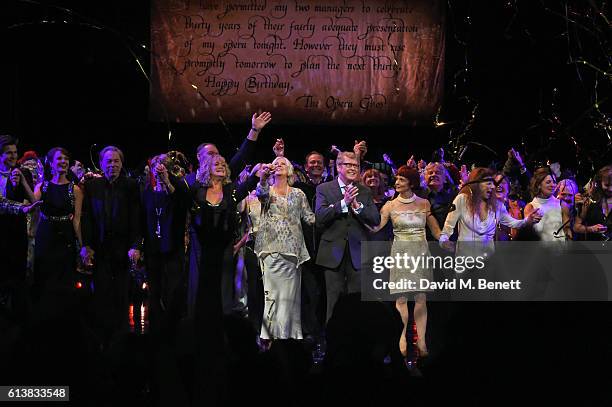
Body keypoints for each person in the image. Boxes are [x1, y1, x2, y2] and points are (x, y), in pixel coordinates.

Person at [369, 166, 442, 358]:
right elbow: (376, 228)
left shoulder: (424, 203)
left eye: (401, 179)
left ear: (411, 182)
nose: (397, 182)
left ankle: (422, 341)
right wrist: (358, 210)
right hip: (400, 254)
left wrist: (447, 239)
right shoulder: (390, 205)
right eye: (397, 179)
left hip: (421, 253)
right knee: (401, 299)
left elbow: (436, 231)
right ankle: (401, 339)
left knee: (420, 298)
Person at [80, 145, 142, 347]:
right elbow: (87, 218)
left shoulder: (132, 185)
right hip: (100, 248)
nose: (113, 165)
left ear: (122, 164)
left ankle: (122, 341)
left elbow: (136, 219)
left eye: (116, 161)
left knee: (122, 296)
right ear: (101, 164)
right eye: (109, 161)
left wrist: (135, 245)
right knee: (102, 296)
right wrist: (87, 245)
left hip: (124, 249)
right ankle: (103, 341)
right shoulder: (92, 187)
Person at [315, 151, 380, 322]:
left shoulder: (364, 191)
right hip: (332, 254)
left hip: (357, 254)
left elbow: (375, 219)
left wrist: (358, 207)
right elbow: (320, 217)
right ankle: (332, 344)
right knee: (333, 301)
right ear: (338, 167)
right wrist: (343, 203)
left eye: (356, 165)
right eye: (348, 165)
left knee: (357, 302)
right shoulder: (324, 188)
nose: (353, 168)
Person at [254, 157, 315, 341]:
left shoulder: (298, 194)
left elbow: (310, 218)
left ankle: (290, 337)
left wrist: (334, 207)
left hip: (293, 253)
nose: (279, 164)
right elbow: (260, 193)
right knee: (272, 296)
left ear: (290, 170)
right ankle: (270, 337)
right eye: (276, 162)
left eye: (283, 163)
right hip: (270, 250)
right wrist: (263, 178)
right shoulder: (267, 190)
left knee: (290, 299)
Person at [141, 153, 190, 336]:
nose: (160, 168)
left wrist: (167, 181)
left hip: (173, 248)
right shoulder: (147, 192)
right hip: (154, 249)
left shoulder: (177, 189)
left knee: (173, 291)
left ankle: (174, 330)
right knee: (155, 292)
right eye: (157, 165)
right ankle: (155, 332)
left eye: (164, 165)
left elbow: (181, 203)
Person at [440, 168, 542, 251]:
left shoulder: (497, 205)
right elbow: (447, 229)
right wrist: (444, 241)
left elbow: (513, 223)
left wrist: (527, 220)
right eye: (488, 183)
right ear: (477, 184)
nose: (493, 186)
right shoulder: (462, 200)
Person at [32, 147, 83, 300]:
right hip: (45, 236)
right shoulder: (42, 187)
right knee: (44, 279)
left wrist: (82, 245)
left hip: (65, 238)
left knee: (65, 282)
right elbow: (34, 213)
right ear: (51, 163)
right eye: (59, 158)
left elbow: (77, 219)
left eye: (66, 159)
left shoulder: (74, 189)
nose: (63, 162)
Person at [0, 134, 35, 321]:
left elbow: (34, 200)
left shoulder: (22, 173)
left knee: (17, 281)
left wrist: (21, 180)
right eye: (8, 153)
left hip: (15, 234)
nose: (13, 156)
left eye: (15, 152)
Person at [525, 167, 571, 242]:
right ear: (539, 185)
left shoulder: (561, 203)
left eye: (554, 182)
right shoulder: (530, 207)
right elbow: (528, 235)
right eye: (548, 182)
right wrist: (529, 222)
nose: (553, 185)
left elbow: (567, 230)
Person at [573, 165, 612, 241]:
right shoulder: (589, 201)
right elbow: (576, 228)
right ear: (599, 183)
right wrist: (591, 229)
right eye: (607, 185)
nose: (611, 189)